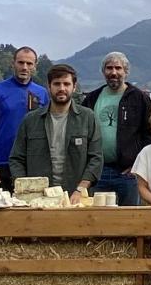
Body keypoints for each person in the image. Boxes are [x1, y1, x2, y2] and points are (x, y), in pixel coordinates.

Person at [8, 63, 101, 203]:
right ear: (49, 86)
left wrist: (80, 189)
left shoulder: (88, 118)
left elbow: (96, 159)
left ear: (74, 87)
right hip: (38, 199)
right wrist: (26, 188)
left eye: (66, 84)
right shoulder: (31, 120)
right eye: (57, 84)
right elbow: (16, 159)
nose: (62, 88)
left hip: (75, 197)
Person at [81, 51, 151, 206]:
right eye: (109, 68)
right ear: (103, 72)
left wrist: (137, 164)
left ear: (126, 71)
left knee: (130, 217)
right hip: (98, 171)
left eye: (118, 68)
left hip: (128, 173)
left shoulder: (139, 99)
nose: (113, 72)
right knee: (96, 217)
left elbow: (150, 134)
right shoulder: (92, 98)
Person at [0, 46, 49, 188]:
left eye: (29, 63)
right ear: (13, 63)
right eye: (21, 62)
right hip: (2, 164)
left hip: (32, 165)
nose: (24, 67)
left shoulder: (42, 93)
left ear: (35, 66)